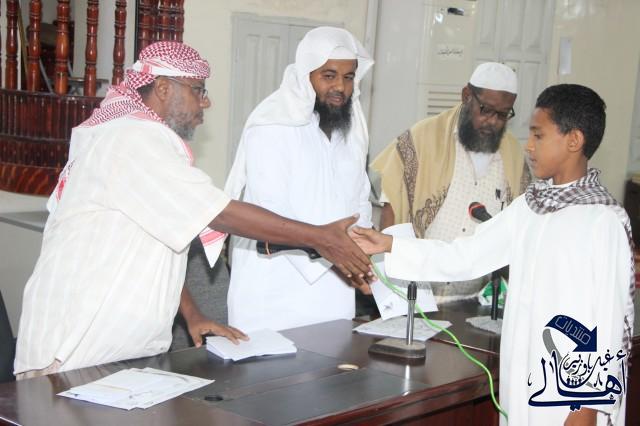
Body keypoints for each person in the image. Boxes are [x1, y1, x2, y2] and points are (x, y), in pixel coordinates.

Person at [14, 41, 372, 379]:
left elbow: (159, 239)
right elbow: (220, 213)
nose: (206, 102)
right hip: (75, 349)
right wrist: (319, 238)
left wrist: (192, 314)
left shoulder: (142, 140)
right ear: (163, 88)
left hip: (119, 351)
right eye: (198, 90)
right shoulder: (130, 139)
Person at [351, 84, 634, 426]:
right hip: (525, 379)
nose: (528, 146)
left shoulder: (602, 220)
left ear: (573, 140)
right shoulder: (530, 207)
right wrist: (391, 245)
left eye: (538, 135)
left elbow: (608, 320)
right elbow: (466, 255)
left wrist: (584, 409)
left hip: (571, 400)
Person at [224, 27, 374, 331]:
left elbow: (360, 200)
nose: (341, 87)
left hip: (336, 286)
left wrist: (363, 256)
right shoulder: (272, 124)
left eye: (348, 77)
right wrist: (341, 257)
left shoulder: (353, 127)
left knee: (336, 357)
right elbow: (271, 212)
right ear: (306, 74)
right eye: (329, 76)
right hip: (274, 286)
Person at [371, 62, 530, 303]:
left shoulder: (514, 156)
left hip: (475, 302)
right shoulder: (422, 138)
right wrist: (387, 288)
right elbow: (392, 208)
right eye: (486, 109)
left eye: (503, 114)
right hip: (419, 296)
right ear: (467, 96)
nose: (492, 121)